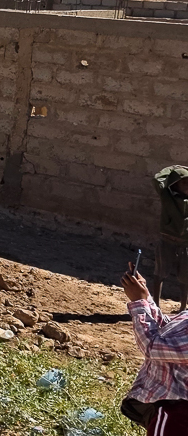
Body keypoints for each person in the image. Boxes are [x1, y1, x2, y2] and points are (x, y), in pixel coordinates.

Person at [120, 261, 188, 432]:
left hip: (177, 415)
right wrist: (146, 298)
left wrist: (138, 302)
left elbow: (152, 346)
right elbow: (166, 328)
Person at [154, 166, 188, 311]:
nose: (187, 186)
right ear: (174, 184)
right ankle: (155, 304)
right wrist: (175, 168)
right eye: (184, 182)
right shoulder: (167, 196)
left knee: (185, 277)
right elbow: (157, 179)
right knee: (160, 273)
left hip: (186, 245)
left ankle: (183, 307)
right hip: (167, 242)